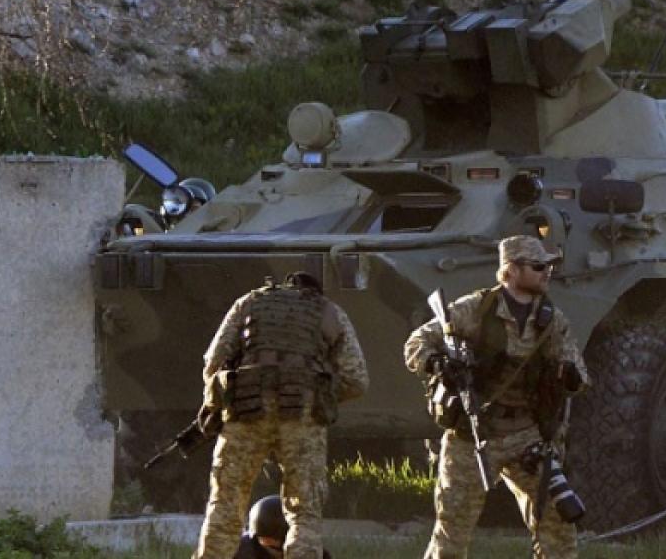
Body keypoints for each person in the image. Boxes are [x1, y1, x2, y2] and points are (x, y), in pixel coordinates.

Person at [405, 235, 589, 559]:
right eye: (538, 266)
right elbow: (416, 343)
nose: (547, 272)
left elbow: (580, 375)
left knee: (558, 526)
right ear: (512, 270)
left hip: (528, 436)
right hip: (474, 433)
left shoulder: (552, 321)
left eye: (549, 266)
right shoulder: (476, 309)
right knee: (452, 531)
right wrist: (437, 363)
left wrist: (571, 377)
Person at [195, 271, 369, 559]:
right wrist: (317, 393)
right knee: (304, 513)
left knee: (225, 505)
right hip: (302, 417)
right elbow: (356, 380)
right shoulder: (330, 312)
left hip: (247, 412)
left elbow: (213, 362)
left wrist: (220, 399)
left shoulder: (249, 302)